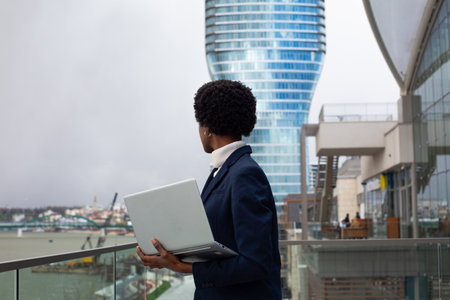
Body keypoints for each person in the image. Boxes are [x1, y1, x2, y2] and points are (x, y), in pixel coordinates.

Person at [136, 80, 282, 299]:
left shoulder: (244, 174)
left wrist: (184, 268)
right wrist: (171, 258)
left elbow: (256, 262)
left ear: (207, 127)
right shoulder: (226, 170)